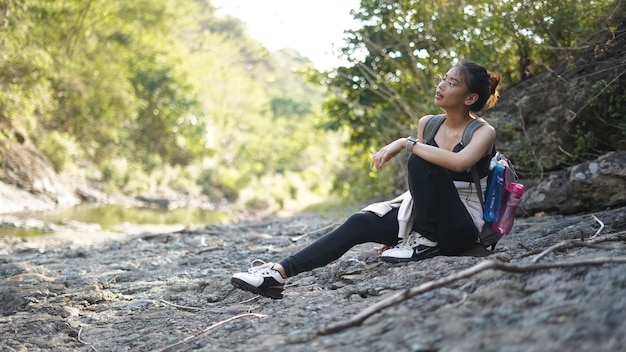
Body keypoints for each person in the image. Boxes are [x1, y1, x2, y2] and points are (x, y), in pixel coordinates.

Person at [231, 61, 501, 299]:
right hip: (427, 217)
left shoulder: (482, 131)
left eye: (452, 83)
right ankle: (276, 275)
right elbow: (425, 186)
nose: (441, 85)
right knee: (361, 222)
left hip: (462, 225)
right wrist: (401, 227)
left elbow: (459, 162)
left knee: (419, 158)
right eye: (443, 78)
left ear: (469, 98)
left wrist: (404, 144)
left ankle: (424, 241)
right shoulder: (429, 124)